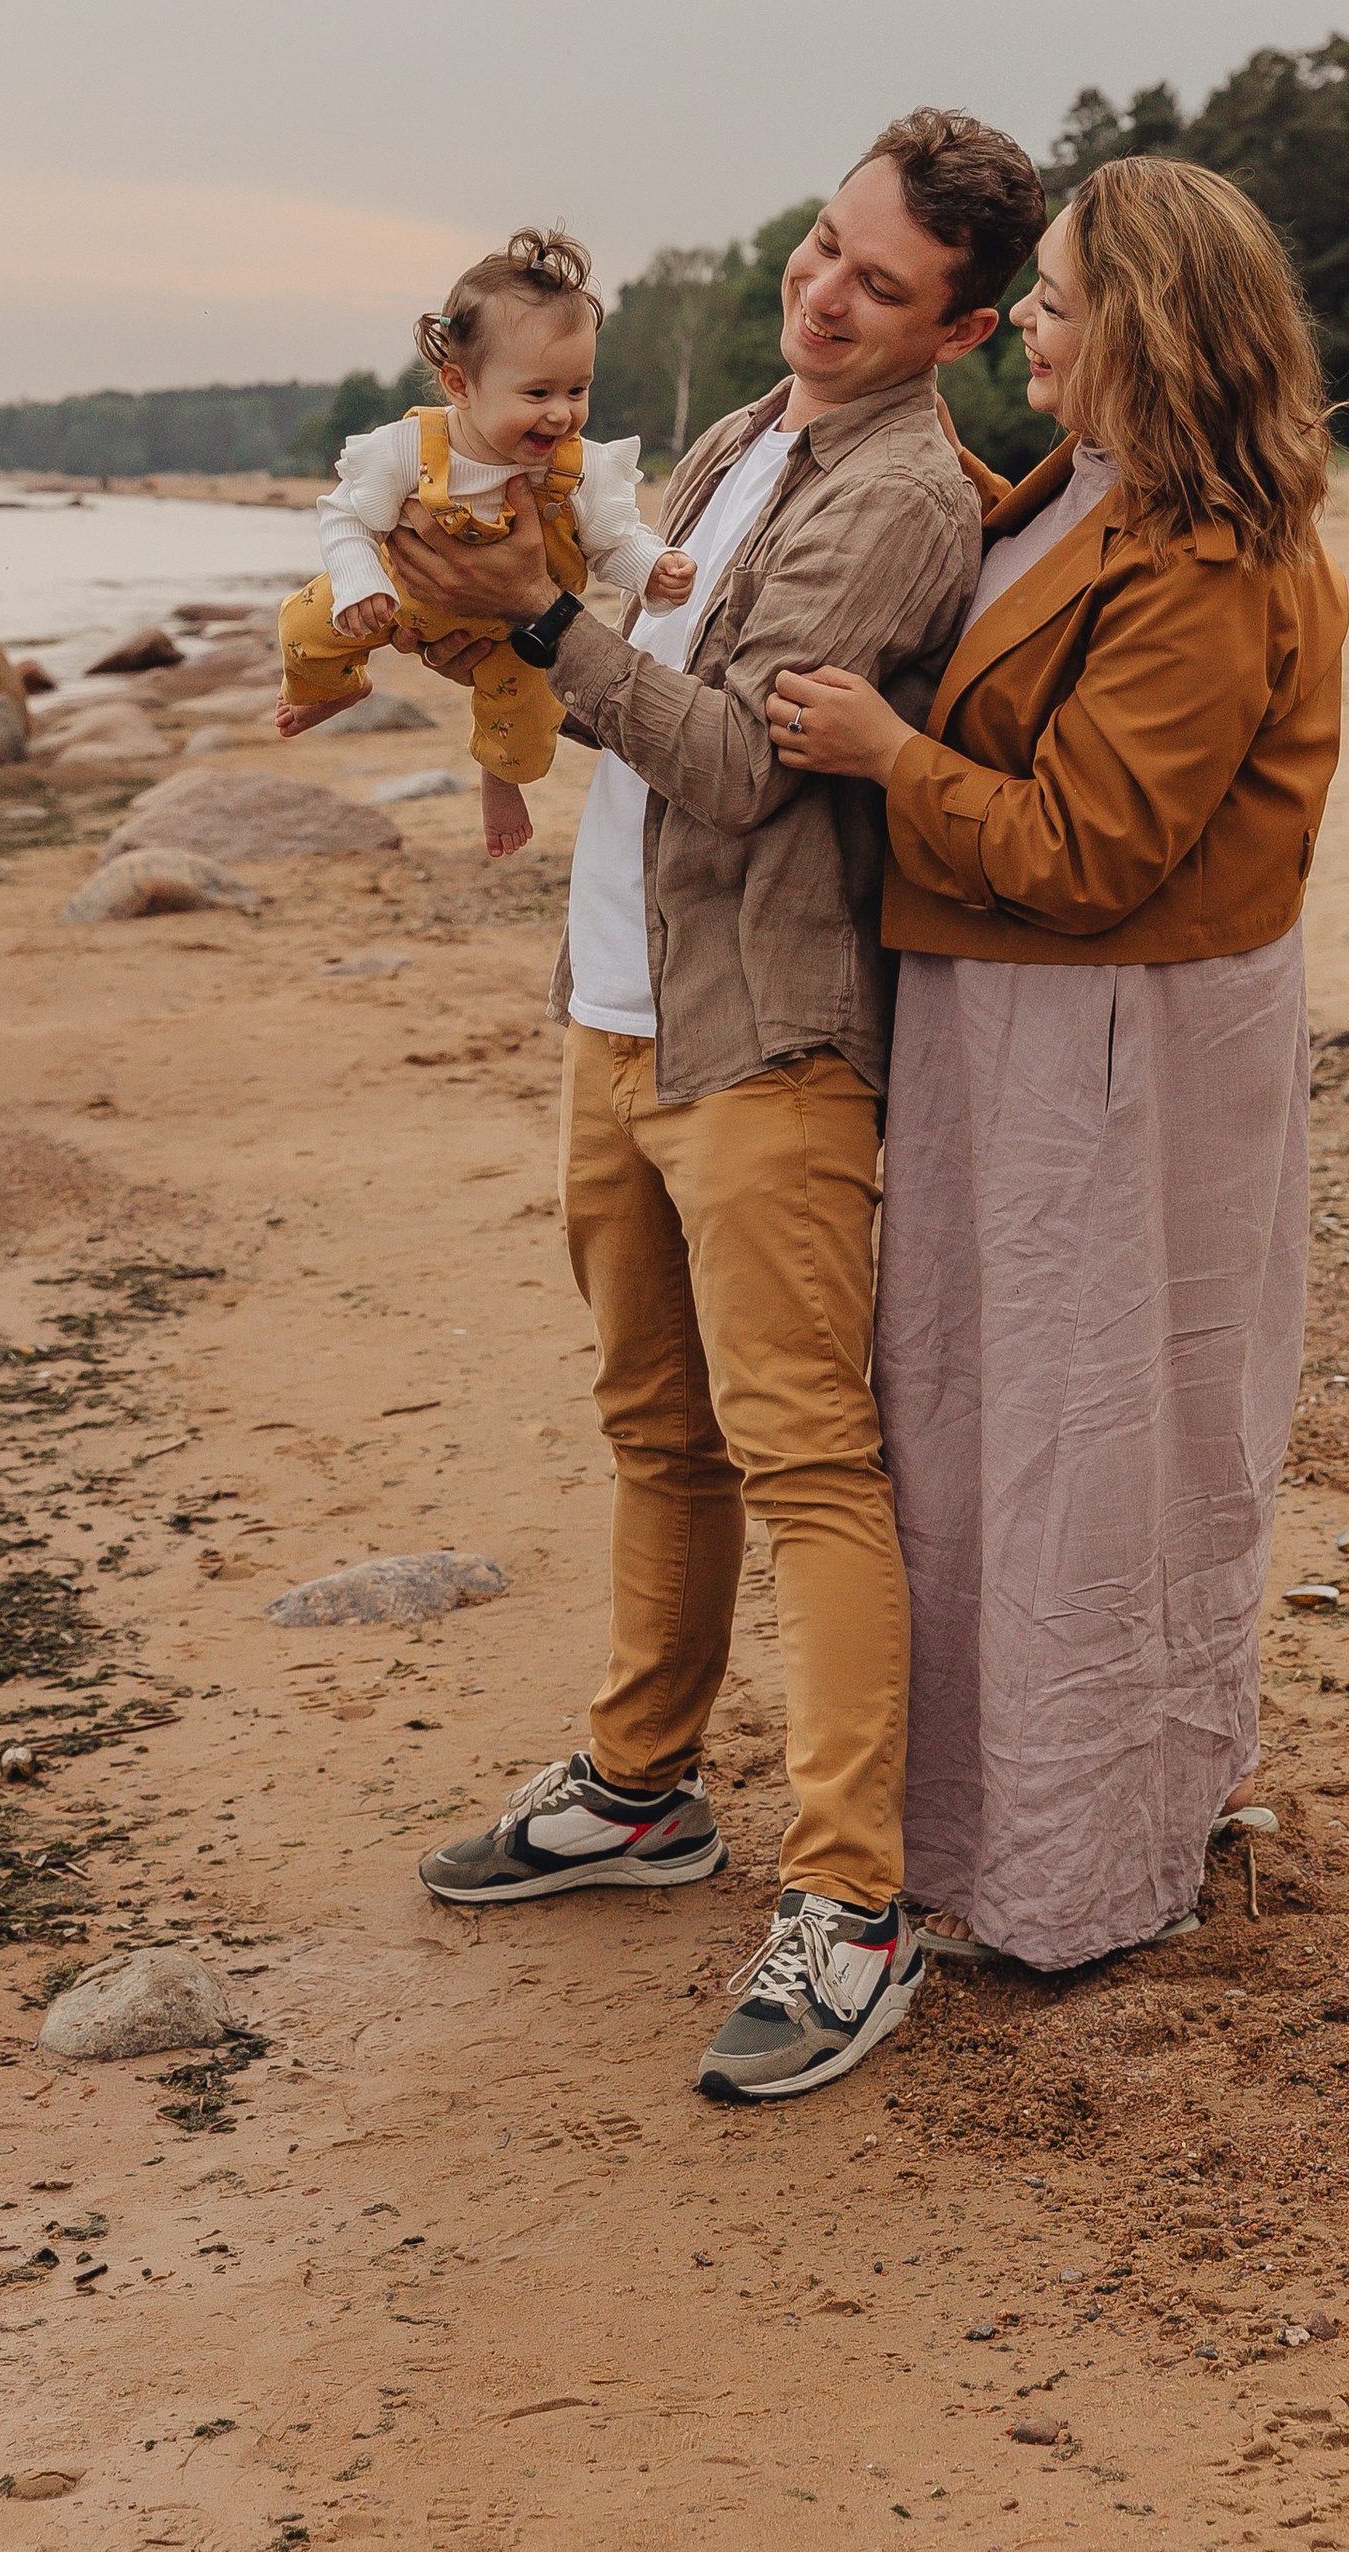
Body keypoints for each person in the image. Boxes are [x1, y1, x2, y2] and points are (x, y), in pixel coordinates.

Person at [392, 111, 1046, 2105]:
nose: (825, 293)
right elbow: (614, 650)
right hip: (620, 1015)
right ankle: (640, 1787)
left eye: (876, 283)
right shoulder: (739, 432)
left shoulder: (901, 497)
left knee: (804, 1466)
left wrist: (530, 623)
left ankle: (851, 1904)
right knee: (651, 1433)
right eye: (819, 248)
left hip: (762, 1047)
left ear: (963, 324)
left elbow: (734, 764)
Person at [765, 155, 1345, 1975]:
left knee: (1095, 1446)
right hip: (1017, 1028)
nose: (1028, 311)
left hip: (1116, 1050)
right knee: (980, 1424)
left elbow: (1095, 853)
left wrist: (878, 751)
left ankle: (1082, 1864)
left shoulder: (1212, 558)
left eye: (1065, 299)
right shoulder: (1083, 484)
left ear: (1149, 335)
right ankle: (998, 1819)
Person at [276, 228, 697, 859]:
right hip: (401, 599)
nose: (561, 414)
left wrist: (651, 567)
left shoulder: (580, 468)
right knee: (303, 620)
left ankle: (500, 779)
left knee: (528, 707)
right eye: (537, 393)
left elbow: (612, 540)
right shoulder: (406, 450)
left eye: (576, 390)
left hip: (518, 627)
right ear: (460, 385)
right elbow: (345, 520)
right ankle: (332, 687)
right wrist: (362, 582)